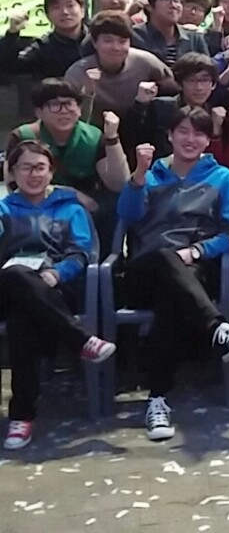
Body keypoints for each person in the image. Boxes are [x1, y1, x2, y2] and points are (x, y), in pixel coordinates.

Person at [117, 106, 229, 441]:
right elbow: (127, 216)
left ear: (208, 140)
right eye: (183, 131)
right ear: (170, 135)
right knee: (164, 260)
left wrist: (197, 251)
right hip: (144, 268)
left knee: (172, 298)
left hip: (193, 269)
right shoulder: (150, 173)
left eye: (198, 133)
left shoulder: (221, 177)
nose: (190, 139)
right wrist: (138, 176)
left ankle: (157, 400)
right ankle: (217, 327)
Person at [0, 141, 117, 450]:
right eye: (26, 168)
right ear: (12, 173)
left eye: (40, 167)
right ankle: (81, 340)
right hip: (7, 287)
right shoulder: (4, 208)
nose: (33, 174)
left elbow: (81, 254)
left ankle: (22, 416)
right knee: (15, 274)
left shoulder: (70, 208)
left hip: (56, 290)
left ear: (51, 171)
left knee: (23, 319)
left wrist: (56, 274)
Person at [65, 11, 177, 120]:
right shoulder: (78, 73)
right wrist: (88, 92)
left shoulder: (145, 61)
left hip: (140, 126)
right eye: (108, 41)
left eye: (122, 41)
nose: (116, 47)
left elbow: (174, 87)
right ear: (94, 43)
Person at [127, 52, 218, 158]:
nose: (199, 87)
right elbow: (130, 138)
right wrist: (139, 104)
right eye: (192, 80)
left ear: (213, 84)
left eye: (205, 80)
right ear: (179, 84)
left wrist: (217, 132)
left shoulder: (215, 114)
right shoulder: (160, 107)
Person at [0, 0, 92, 79]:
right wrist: (12, 34)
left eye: (70, 5)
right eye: (56, 7)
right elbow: (8, 67)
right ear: (48, 16)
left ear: (82, 11)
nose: (64, 12)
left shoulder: (97, 36)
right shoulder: (42, 47)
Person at [131, 0, 209, 65]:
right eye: (166, 0)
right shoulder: (135, 36)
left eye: (177, 1)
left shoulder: (194, 38)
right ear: (149, 6)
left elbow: (207, 69)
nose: (174, 6)